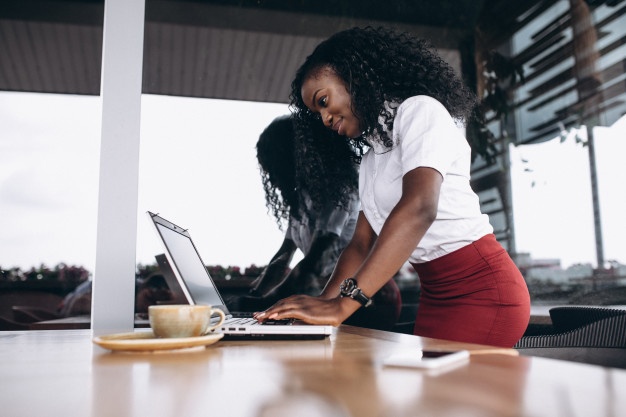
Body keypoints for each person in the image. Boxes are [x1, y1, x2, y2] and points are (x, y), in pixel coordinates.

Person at [255, 26, 530, 348]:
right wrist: (321, 307)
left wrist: (344, 305)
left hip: (483, 291)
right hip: (436, 294)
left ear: (355, 77)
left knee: (448, 395)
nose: (326, 119)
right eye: (318, 114)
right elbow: (359, 244)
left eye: (324, 101)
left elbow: (419, 208)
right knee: (436, 396)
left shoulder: (420, 110)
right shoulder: (373, 158)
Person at [241, 115, 401, 331]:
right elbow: (282, 257)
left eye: (274, 163)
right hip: (333, 295)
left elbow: (316, 260)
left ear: (295, 157)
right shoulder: (303, 200)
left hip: (368, 298)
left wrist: (264, 302)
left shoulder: (341, 191)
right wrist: (253, 297)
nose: (272, 176)